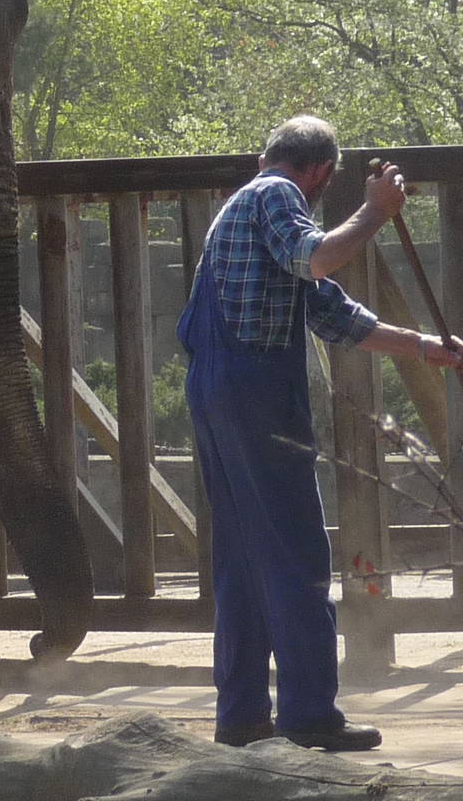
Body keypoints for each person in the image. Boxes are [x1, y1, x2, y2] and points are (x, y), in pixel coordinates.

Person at [178, 114, 463, 752]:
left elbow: (336, 314)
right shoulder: (275, 194)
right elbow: (317, 257)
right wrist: (376, 211)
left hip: (219, 390)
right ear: (321, 172)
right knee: (296, 552)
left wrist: (426, 347)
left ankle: (242, 716)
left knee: (243, 558)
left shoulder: (244, 211)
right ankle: (308, 715)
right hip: (255, 393)